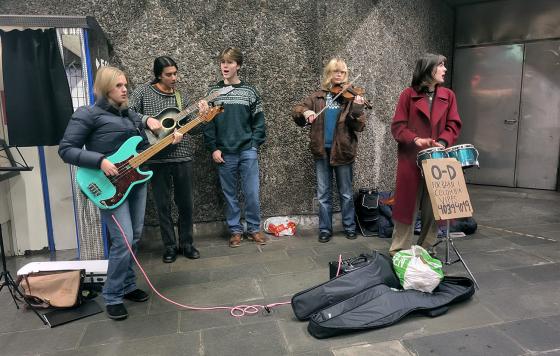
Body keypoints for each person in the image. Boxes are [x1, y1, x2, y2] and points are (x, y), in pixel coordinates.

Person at [58, 66, 181, 320]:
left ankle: (126, 285)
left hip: (134, 182)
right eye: (119, 86)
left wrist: (167, 139)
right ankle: (112, 294)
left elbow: (145, 150)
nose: (125, 89)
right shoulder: (87, 114)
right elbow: (66, 149)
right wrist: (100, 160)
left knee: (133, 237)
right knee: (123, 240)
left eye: (125, 84)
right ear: (105, 89)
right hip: (105, 185)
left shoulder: (130, 116)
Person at [129, 56, 208, 263]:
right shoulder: (142, 93)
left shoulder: (182, 97)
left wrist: (203, 116)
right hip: (155, 158)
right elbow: (127, 113)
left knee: (186, 204)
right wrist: (147, 120)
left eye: (175, 73)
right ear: (158, 75)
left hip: (182, 157)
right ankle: (170, 246)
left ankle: (187, 244)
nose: (174, 78)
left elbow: (196, 130)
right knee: (162, 205)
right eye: (169, 74)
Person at [390, 53, 462, 256]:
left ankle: (425, 249)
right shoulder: (407, 95)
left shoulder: (448, 95)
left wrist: (444, 141)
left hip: (438, 161)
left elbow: (453, 124)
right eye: (441, 65)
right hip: (411, 160)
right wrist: (415, 139)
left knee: (434, 208)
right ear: (429, 69)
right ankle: (399, 252)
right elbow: (398, 127)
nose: (444, 69)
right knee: (407, 208)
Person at [292, 58, 366, 243]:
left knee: (346, 193)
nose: (339, 75)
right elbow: (297, 110)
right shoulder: (318, 97)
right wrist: (305, 113)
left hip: (343, 151)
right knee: (323, 194)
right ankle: (325, 229)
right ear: (329, 74)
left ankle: (349, 227)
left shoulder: (351, 97)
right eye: (335, 71)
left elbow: (359, 126)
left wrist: (356, 109)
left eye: (342, 72)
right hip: (321, 150)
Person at [203, 47, 267, 248]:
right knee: (229, 194)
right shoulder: (214, 93)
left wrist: (254, 144)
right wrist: (213, 148)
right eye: (223, 62)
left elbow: (259, 121)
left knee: (251, 193)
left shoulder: (250, 91)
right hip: (224, 152)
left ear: (238, 65)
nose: (225, 66)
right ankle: (235, 231)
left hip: (247, 149)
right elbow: (208, 123)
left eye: (229, 62)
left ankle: (254, 229)